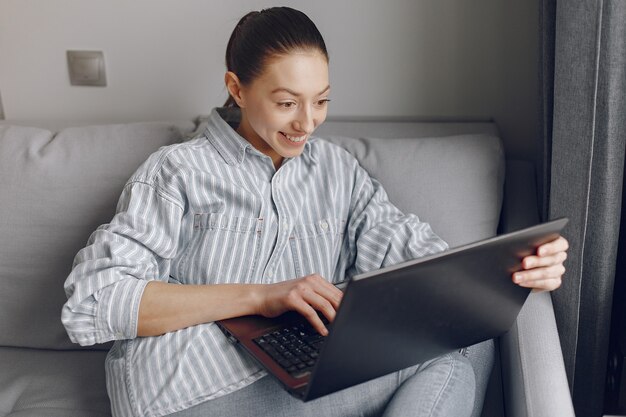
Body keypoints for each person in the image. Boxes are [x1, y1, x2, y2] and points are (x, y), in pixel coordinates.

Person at [62, 7, 569, 417]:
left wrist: (519, 267)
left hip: (300, 375)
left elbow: (422, 262)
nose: (307, 123)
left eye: (321, 101)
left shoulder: (335, 171)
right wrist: (261, 297)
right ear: (237, 89)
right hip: (188, 390)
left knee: (470, 339)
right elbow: (93, 303)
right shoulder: (177, 172)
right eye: (287, 103)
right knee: (454, 360)